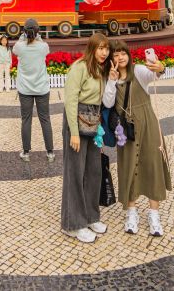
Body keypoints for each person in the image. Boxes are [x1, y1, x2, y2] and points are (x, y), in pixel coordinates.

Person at [103, 39, 172, 235]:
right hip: (125, 130)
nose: (120, 57)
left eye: (122, 53)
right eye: (115, 55)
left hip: (147, 123)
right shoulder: (110, 77)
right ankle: (131, 212)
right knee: (128, 166)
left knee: (152, 165)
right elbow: (108, 103)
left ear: (128, 54)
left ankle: (154, 215)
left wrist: (160, 67)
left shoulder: (139, 71)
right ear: (111, 59)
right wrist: (111, 80)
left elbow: (154, 73)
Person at [61, 33, 110, 243]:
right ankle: (73, 224)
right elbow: (70, 100)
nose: (104, 53)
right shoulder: (79, 68)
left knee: (93, 171)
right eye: (100, 48)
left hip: (92, 122)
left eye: (106, 49)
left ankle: (91, 216)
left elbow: (101, 101)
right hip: (76, 121)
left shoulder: (102, 70)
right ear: (92, 48)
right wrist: (73, 132)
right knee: (75, 173)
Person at [12, 19, 54, 162]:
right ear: (37, 32)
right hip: (42, 88)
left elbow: (15, 49)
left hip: (25, 89)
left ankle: (26, 152)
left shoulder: (19, 46)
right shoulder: (43, 47)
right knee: (45, 119)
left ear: (24, 31)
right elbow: (43, 46)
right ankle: (50, 153)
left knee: (26, 120)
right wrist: (37, 37)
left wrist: (23, 37)